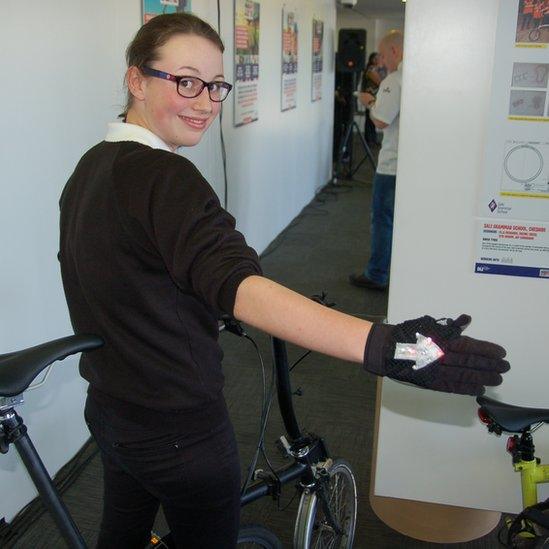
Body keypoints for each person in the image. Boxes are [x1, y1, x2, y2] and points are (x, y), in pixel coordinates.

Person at [58, 14, 510, 549]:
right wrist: (389, 347)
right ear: (136, 79)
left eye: (215, 85)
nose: (204, 102)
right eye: (185, 81)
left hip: (112, 413)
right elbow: (241, 286)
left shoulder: (91, 167)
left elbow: (128, 272)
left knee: (121, 536)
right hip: (180, 430)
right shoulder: (167, 178)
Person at [350, 30, 403, 291]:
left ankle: (377, 273)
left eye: (383, 54)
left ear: (395, 51)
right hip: (410, 165)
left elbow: (380, 119)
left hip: (392, 166)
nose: (381, 61)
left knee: (382, 219)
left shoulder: (394, 80)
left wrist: (370, 102)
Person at [360, 52, 383, 146]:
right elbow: (379, 82)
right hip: (370, 97)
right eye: (378, 58)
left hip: (372, 97)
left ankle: (372, 139)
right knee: (370, 118)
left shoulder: (373, 69)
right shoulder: (371, 69)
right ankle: (369, 140)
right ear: (373, 60)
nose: (380, 60)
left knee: (372, 118)